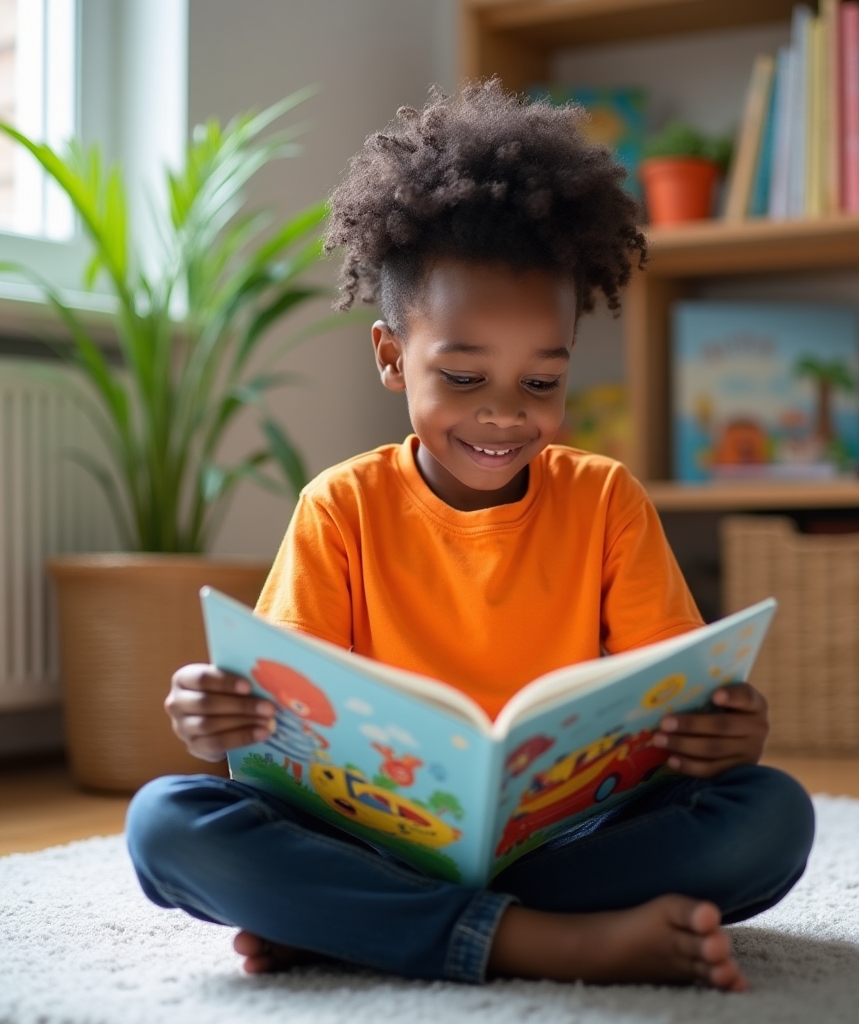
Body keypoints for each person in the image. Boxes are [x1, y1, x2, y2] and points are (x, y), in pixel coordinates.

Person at [126, 81, 814, 991]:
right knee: (167, 823)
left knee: (770, 817)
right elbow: (269, 745)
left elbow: (672, 719)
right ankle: (543, 944)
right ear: (389, 356)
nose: (503, 416)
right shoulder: (341, 507)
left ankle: (355, 921)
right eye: (461, 375)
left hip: (564, 840)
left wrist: (731, 735)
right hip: (370, 832)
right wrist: (213, 723)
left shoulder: (606, 500)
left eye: (541, 383)